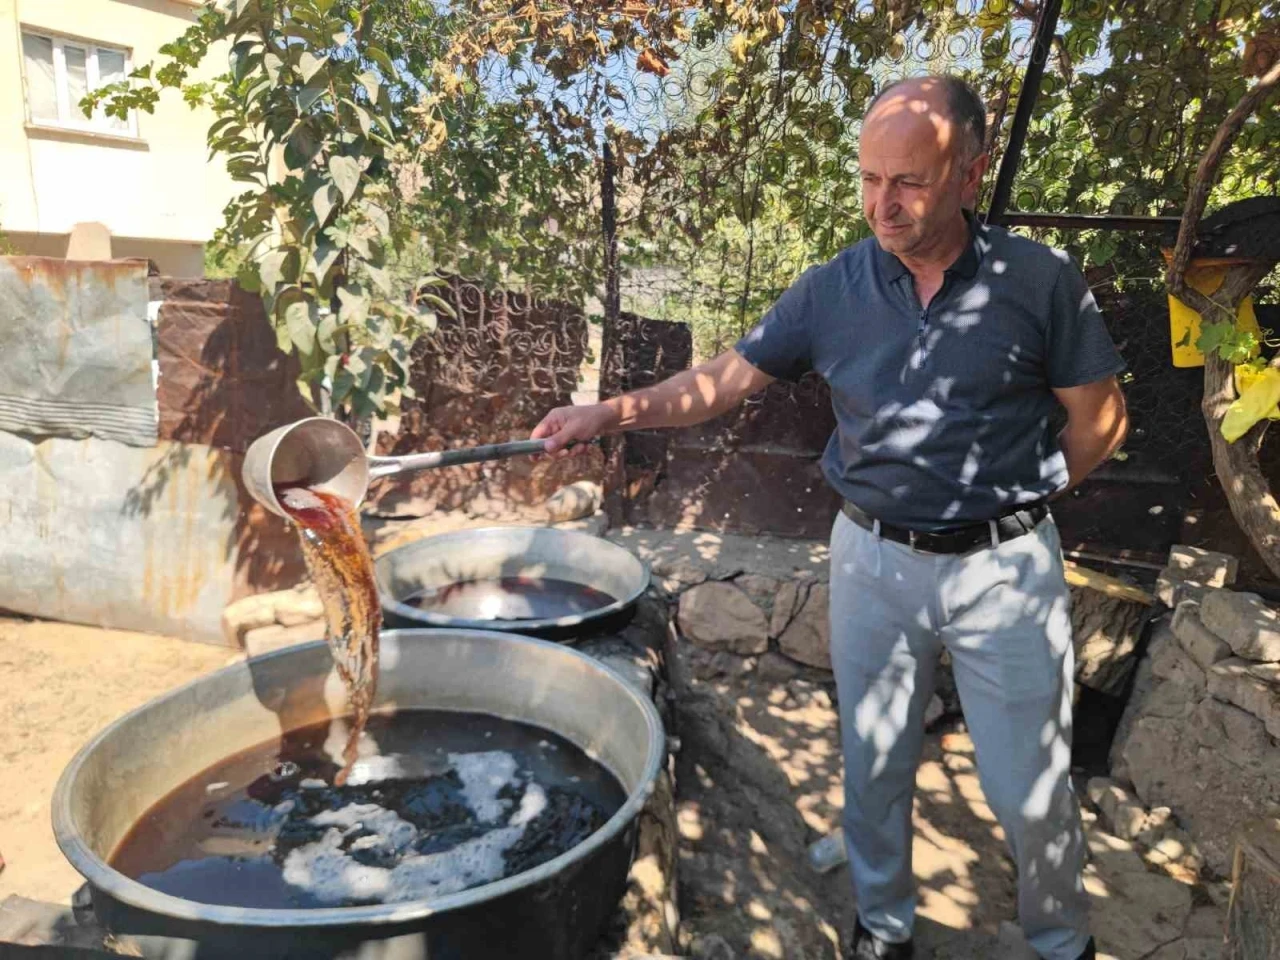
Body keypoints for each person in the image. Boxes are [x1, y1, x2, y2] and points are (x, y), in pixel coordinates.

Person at [531, 74, 1127, 960]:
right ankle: (883, 925)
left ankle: (1060, 940)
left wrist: (1012, 507)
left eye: (910, 182)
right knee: (874, 761)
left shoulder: (1038, 281)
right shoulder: (833, 288)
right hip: (873, 561)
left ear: (971, 174)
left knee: (1028, 786)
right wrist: (608, 413)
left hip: (1004, 571)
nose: (883, 206)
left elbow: (1101, 423)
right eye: (870, 179)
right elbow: (720, 382)